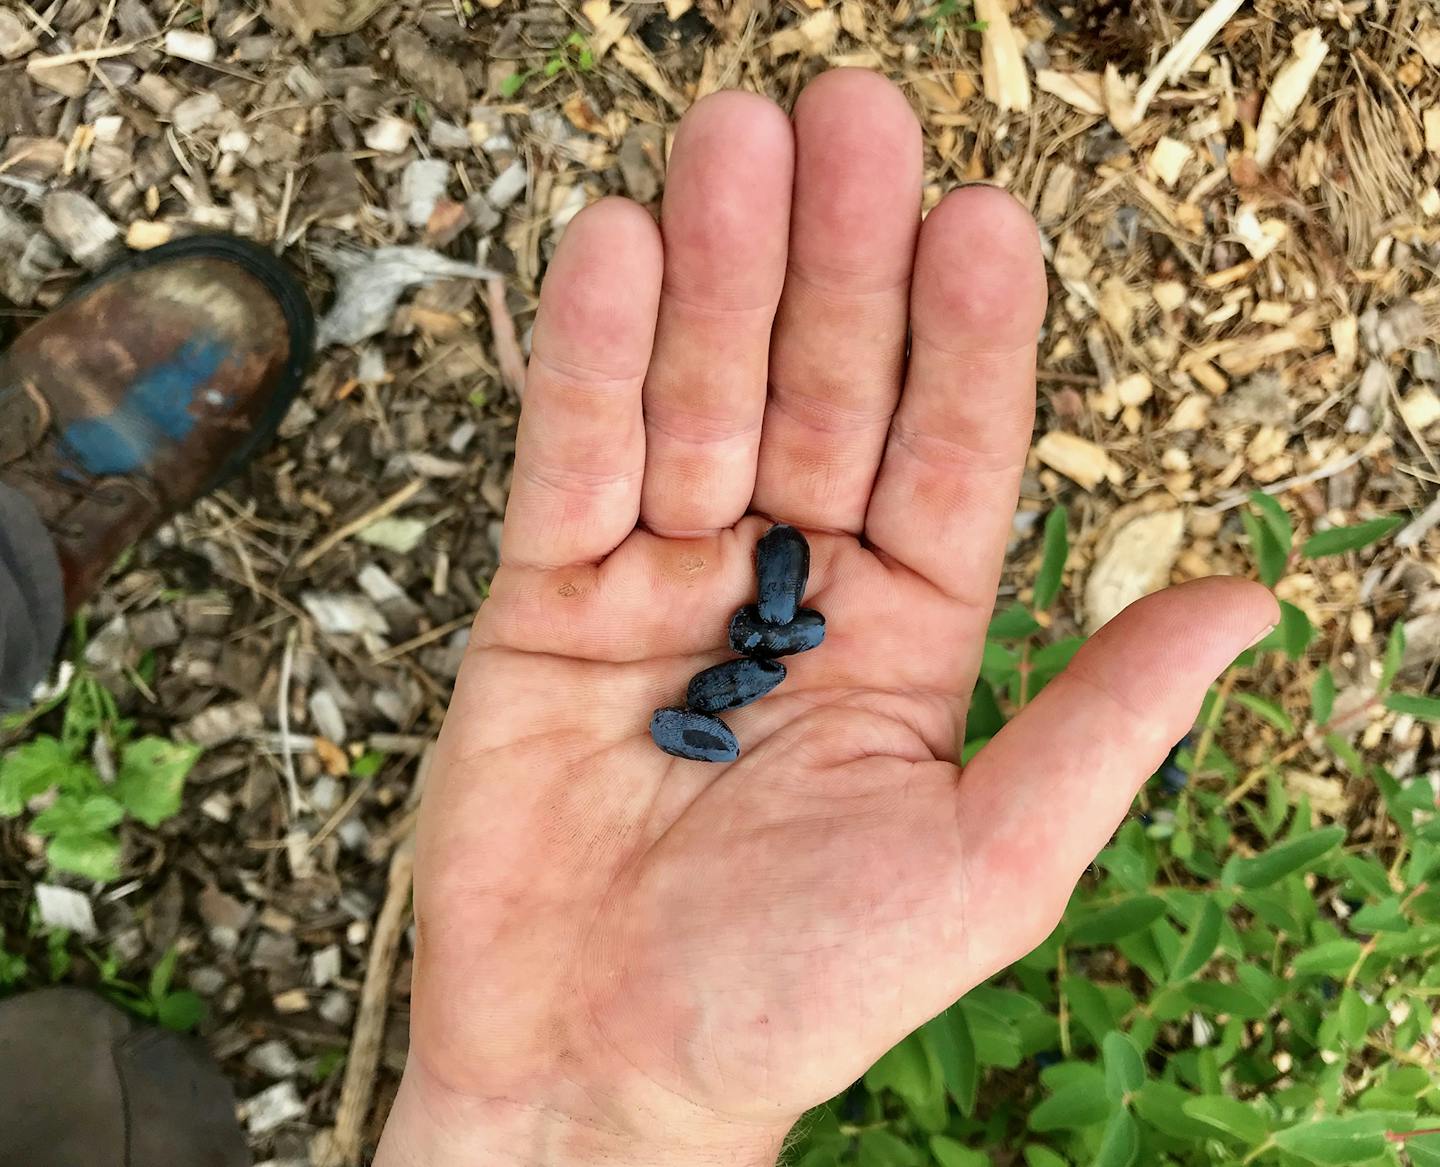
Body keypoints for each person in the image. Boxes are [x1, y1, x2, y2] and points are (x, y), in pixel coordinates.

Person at [0, 71, 1276, 1166]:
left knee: (78, 1108)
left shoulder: (753, 654)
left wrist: (574, 1119)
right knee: (98, 1106)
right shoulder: (746, 658)